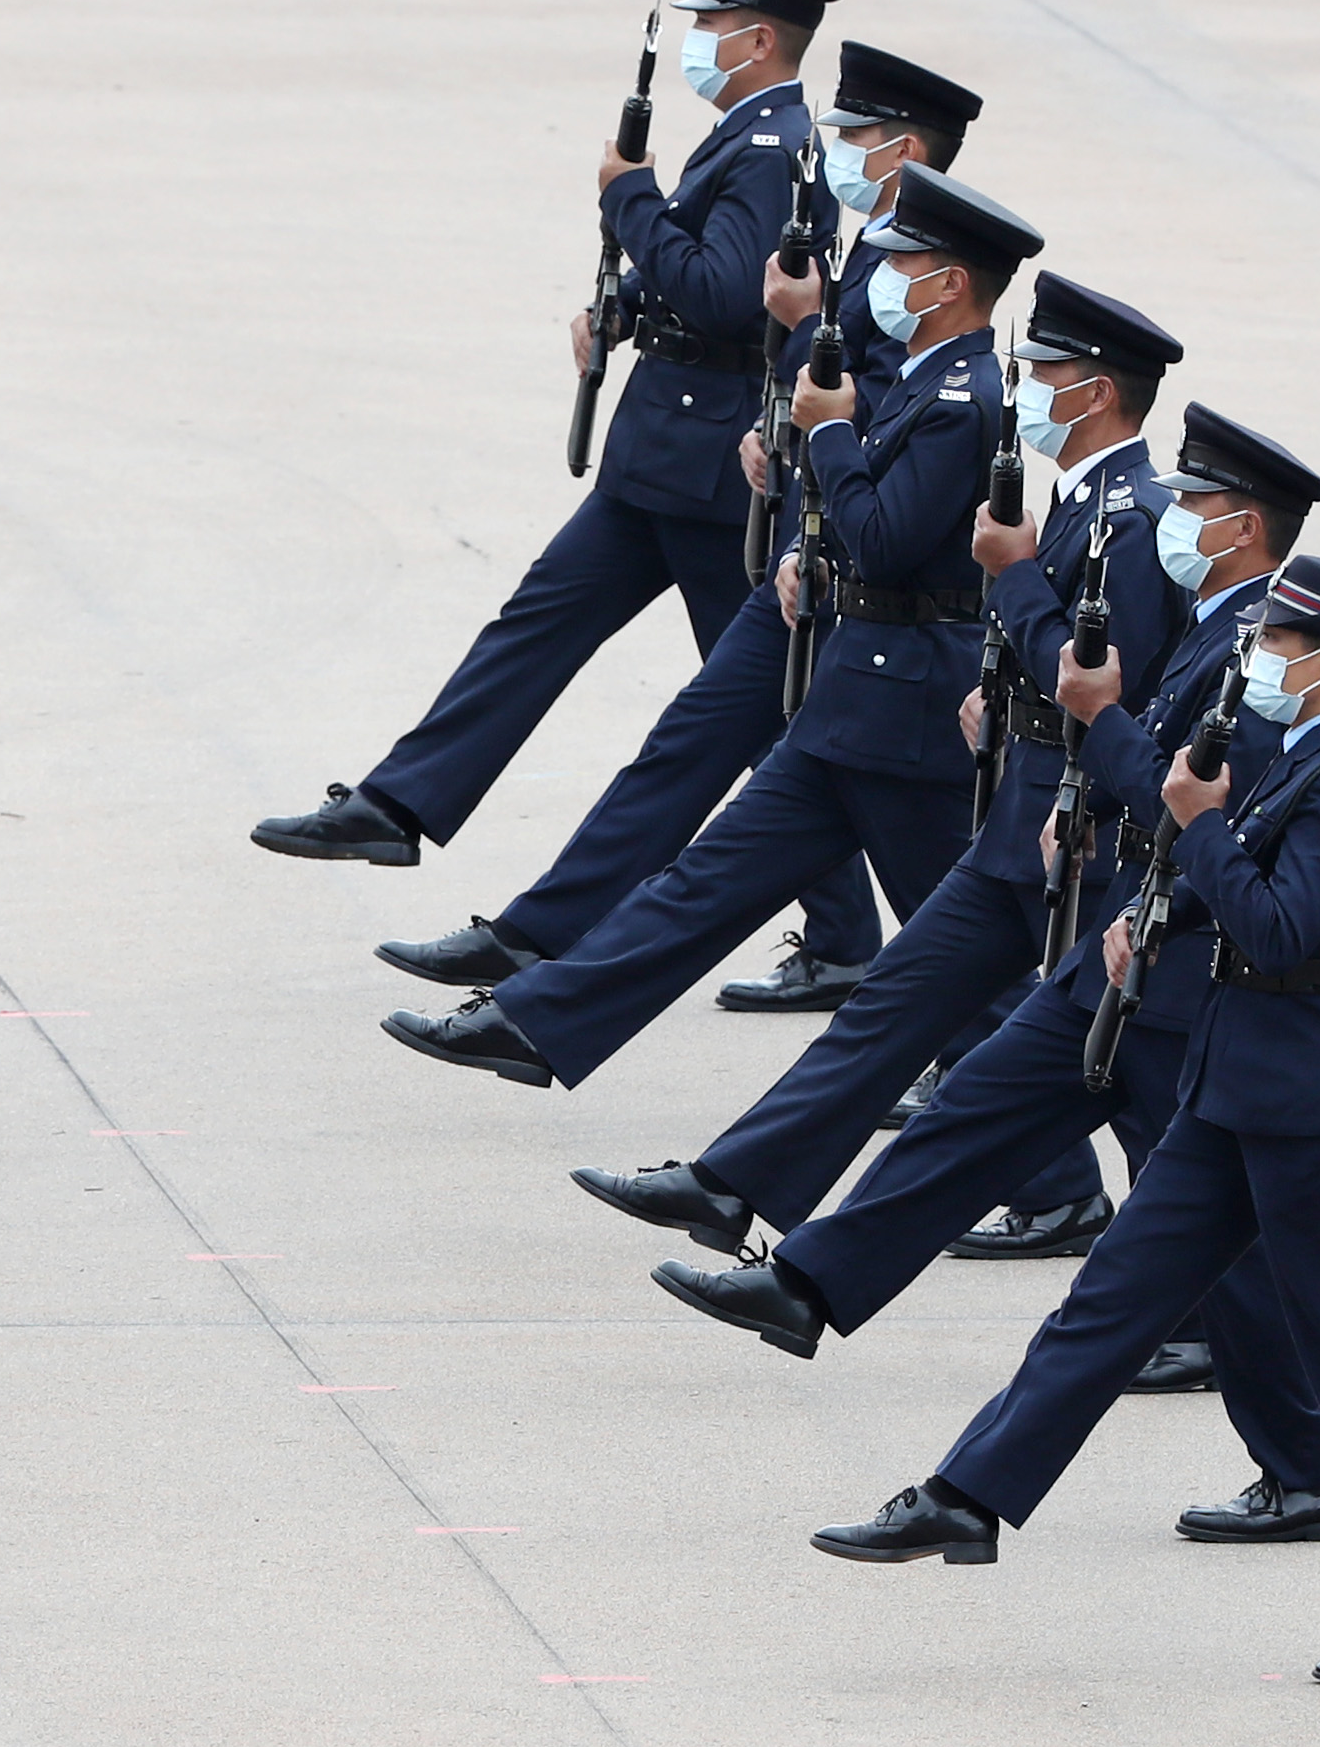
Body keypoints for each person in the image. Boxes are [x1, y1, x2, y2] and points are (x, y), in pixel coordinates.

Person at [643, 408, 1320, 1526]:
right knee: (972, 1109)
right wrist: (1090, 800)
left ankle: (1305, 1472)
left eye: (1200, 504)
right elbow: (1156, 762)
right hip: (1127, 952)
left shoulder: (1262, 659)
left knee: (1217, 1252)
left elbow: (1201, 800)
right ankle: (808, 1284)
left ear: (1246, 526)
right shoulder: (1221, 627)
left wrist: (1099, 735)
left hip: (1185, 987)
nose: (1178, 517)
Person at [797, 560, 1320, 1687]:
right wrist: (1153, 913)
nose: (1260, 656)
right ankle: (967, 1494)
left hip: (1311, 1108)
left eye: (1281, 643)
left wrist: (1199, 827)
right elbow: (1230, 880)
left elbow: (1281, 928)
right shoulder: (1301, 754)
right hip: (1238, 1084)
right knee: (1108, 1300)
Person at [566, 274, 1182, 1272]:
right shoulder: (1080, 505)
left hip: (1082, 841)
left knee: (1141, 1079)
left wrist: (1016, 581)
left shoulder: (1136, 521)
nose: (1027, 390)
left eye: (1048, 374)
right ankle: (736, 1189)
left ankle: (1198, 1302)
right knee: (889, 1011)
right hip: (1022, 816)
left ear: (1099, 392)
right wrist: (999, 695)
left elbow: (1113, 689)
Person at [382, 165, 1037, 1088]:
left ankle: (1030, 1137)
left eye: (904, 265)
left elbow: (891, 541)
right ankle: (535, 1022)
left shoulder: (965, 396)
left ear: (951, 284)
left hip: (905, 711)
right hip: (854, 694)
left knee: (961, 944)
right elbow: (871, 515)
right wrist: (808, 541)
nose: (883, 281)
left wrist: (828, 434)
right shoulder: (926, 378)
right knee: (702, 884)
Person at [252, 0, 857, 915]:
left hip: (709, 472)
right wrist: (624, 309)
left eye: (712, 25)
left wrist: (629, 196)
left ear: (757, 40)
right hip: (663, 455)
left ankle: (841, 935)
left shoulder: (769, 148)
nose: (699, 40)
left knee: (755, 708)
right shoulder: (749, 135)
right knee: (534, 630)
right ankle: (397, 804)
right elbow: (706, 276)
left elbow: (721, 295)